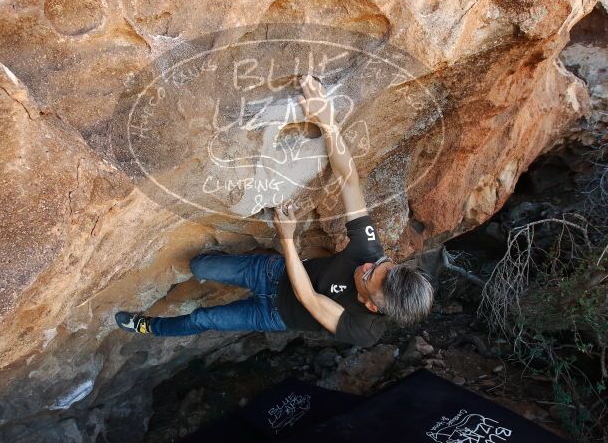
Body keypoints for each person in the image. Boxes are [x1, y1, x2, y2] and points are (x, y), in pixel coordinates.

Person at [115, 75, 434, 347]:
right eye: (382, 265)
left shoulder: (365, 330)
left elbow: (308, 297)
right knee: (200, 266)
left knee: (205, 317)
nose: (368, 265)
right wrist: (327, 122)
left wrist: (288, 238)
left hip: (275, 314)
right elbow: (349, 181)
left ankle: (149, 326)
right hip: (272, 273)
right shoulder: (369, 251)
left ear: (371, 305)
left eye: (368, 276)